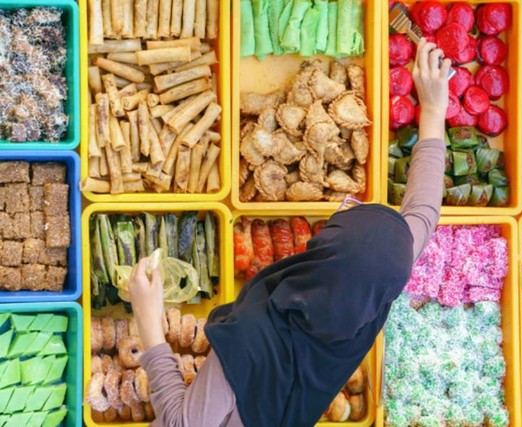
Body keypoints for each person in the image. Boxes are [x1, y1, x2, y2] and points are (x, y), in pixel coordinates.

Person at [128, 39, 450, 427]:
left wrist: (148, 321)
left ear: (321, 249)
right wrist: (433, 110)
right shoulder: (372, 297)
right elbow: (424, 211)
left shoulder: (250, 339)